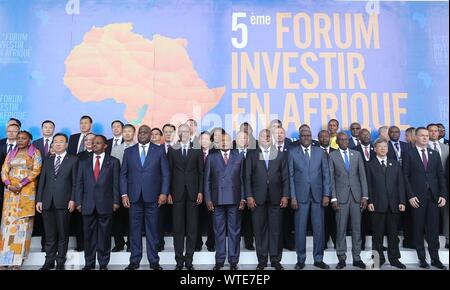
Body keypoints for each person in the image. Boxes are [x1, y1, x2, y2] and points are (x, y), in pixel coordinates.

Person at [120, 125, 170, 270]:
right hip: (134, 198)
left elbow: (166, 174)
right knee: (134, 231)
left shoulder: (159, 150)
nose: (142, 134)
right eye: (140, 132)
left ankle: (154, 261)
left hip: (153, 198)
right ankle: (134, 261)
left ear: (150, 134)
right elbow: (123, 175)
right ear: (137, 134)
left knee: (152, 231)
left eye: (145, 132)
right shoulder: (129, 151)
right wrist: (124, 194)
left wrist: (163, 193)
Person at [402, 127, 447, 269]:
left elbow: (440, 176)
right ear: (416, 137)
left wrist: (443, 195)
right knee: (418, 228)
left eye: (427, 136)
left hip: (433, 197)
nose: (425, 138)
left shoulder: (434, 154)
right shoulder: (408, 154)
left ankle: (435, 259)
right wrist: (410, 196)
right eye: (422, 135)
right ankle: (422, 259)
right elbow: (405, 177)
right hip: (417, 198)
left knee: (433, 229)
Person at [245, 129, 289, 270]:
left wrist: (285, 195)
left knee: (276, 230)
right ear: (259, 138)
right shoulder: (252, 155)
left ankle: (275, 259)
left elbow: (286, 178)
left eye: (269, 136)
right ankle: (262, 260)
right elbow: (247, 178)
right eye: (264, 136)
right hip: (257, 199)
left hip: (277, 197)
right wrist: (249, 196)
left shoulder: (280, 155)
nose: (266, 138)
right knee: (259, 230)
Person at [75, 135, 121, 270]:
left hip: (106, 204)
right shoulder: (83, 162)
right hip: (87, 204)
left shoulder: (113, 162)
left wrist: (116, 201)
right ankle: (89, 263)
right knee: (88, 236)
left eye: (98, 143)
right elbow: (79, 183)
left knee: (104, 236)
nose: (94, 145)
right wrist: (78, 202)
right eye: (93, 143)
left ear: (105, 146)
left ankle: (103, 264)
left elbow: (116, 184)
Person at [289, 127, 331, 270]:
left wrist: (327, 194)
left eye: (308, 135)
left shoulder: (320, 152)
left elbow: (326, 174)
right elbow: (291, 176)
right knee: (300, 230)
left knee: (319, 230)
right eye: (303, 135)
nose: (306, 137)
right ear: (299, 137)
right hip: (300, 197)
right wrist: (293, 197)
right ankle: (301, 260)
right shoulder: (292, 153)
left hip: (318, 196)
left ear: (311, 137)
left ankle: (318, 259)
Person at [0, 131, 42, 269]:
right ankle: (4, 260)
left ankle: (17, 261)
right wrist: (8, 184)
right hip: (10, 194)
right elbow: (4, 170)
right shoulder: (11, 153)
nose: (20, 140)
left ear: (30, 140)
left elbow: (36, 171)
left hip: (25, 192)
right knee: (7, 227)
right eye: (18, 138)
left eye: (23, 138)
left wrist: (20, 184)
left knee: (22, 228)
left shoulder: (35, 153)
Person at [36, 133, 78, 270]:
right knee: (49, 234)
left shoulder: (73, 159)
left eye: (61, 141)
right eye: (55, 142)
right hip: (47, 202)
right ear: (52, 144)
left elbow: (75, 182)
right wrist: (39, 199)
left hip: (64, 201)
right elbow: (42, 181)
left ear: (66, 144)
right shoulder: (48, 160)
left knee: (62, 233)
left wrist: (73, 199)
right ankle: (49, 260)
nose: (58, 144)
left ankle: (60, 261)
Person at [204, 133, 245, 270]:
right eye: (221, 140)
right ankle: (220, 260)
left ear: (231, 142)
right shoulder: (211, 157)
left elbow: (242, 179)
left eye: (226, 140)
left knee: (234, 231)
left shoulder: (239, 156)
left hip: (234, 198)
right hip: (217, 199)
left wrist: (243, 198)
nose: (224, 142)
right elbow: (207, 180)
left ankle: (233, 261)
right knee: (219, 231)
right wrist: (208, 199)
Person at [329, 132, 368, 269]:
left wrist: (365, 196)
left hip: (357, 197)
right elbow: (331, 179)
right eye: (341, 140)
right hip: (340, 198)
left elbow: (362, 176)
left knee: (357, 229)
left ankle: (357, 258)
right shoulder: (332, 156)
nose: (344, 141)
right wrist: (333, 198)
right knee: (341, 229)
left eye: (346, 139)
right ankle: (342, 258)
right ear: (337, 142)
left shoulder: (356, 154)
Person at [167, 124, 203, 270]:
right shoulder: (172, 149)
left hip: (193, 193)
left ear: (190, 132)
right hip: (177, 193)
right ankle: (179, 261)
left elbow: (202, 172)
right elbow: (168, 173)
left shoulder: (196, 149)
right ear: (179, 133)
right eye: (181, 131)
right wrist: (168, 192)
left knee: (192, 228)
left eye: (187, 131)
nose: (184, 133)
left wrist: (200, 191)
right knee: (178, 228)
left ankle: (189, 260)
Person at [366, 138, 406, 269]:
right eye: (380, 147)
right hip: (377, 205)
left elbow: (400, 184)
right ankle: (378, 261)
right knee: (377, 236)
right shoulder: (370, 164)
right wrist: (370, 201)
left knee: (393, 235)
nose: (383, 149)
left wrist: (402, 201)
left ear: (388, 149)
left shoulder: (394, 164)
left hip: (394, 205)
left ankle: (394, 259)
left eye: (385, 147)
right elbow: (369, 185)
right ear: (375, 149)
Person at [110, 124, 136, 252]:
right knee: (118, 219)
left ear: (134, 133)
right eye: (124, 131)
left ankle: (131, 244)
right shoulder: (116, 149)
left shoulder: (138, 148)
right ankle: (119, 243)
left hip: (135, 188)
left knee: (133, 218)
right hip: (119, 187)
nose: (126, 134)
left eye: (129, 131)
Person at [32, 120, 56, 252]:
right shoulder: (35, 144)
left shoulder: (58, 142)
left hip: (56, 185)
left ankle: (52, 244)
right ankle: (43, 245)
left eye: (50, 127)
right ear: (42, 129)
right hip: (39, 182)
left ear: (53, 128)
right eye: (45, 127)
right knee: (43, 216)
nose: (47, 129)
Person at [427, 123, 449, 249]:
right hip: (428, 186)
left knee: (446, 213)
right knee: (430, 214)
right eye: (431, 131)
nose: (434, 133)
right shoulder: (421, 148)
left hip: (444, 184)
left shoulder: (446, 148)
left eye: (436, 131)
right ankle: (429, 237)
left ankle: (447, 237)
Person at [195, 131, 216, 252]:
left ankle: (211, 243)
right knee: (196, 219)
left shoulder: (216, 153)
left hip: (212, 192)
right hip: (197, 191)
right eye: (202, 139)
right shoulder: (194, 153)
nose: (204, 141)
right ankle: (197, 243)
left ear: (211, 141)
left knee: (212, 219)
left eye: (207, 139)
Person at [235, 130, 255, 251]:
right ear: (236, 140)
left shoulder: (254, 153)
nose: (243, 140)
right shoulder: (231, 153)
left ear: (248, 141)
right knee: (235, 220)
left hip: (251, 191)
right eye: (240, 138)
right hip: (234, 192)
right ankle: (235, 243)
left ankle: (249, 243)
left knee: (249, 220)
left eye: (245, 138)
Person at [318, 130, 336, 249]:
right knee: (321, 219)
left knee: (334, 218)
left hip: (335, 191)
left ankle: (336, 241)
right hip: (319, 191)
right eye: (322, 136)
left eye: (327, 136)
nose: (324, 138)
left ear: (330, 138)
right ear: (318, 138)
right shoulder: (314, 152)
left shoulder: (336, 152)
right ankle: (323, 242)